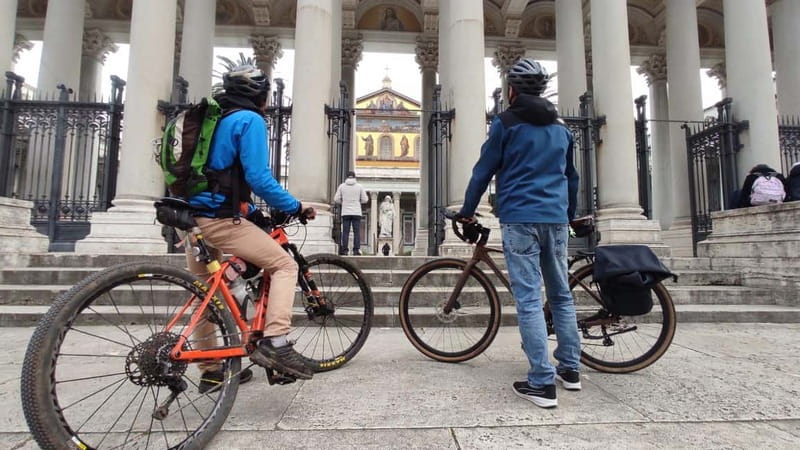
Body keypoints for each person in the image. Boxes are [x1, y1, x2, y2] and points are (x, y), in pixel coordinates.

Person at [458, 58, 581, 409]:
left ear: (512, 90)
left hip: (520, 219)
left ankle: (542, 382)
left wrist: (467, 212)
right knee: (561, 295)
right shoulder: (561, 127)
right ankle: (570, 370)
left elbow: (483, 171)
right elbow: (572, 177)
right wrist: (567, 215)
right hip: (555, 219)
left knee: (528, 298)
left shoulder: (506, 123)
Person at [186, 63, 317, 392]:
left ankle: (212, 371)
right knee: (284, 264)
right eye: (266, 95)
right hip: (217, 220)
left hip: (189, 218)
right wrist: (295, 206)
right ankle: (277, 341)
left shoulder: (212, 122)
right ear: (259, 95)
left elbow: (220, 178)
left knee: (208, 294)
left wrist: (251, 211)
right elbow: (259, 177)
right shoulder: (249, 121)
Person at [334, 170, 368, 255]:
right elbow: (365, 199)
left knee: (345, 231)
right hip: (356, 212)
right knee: (357, 232)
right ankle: (356, 250)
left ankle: (344, 250)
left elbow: (336, 199)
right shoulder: (359, 186)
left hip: (345, 212)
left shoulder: (342, 186)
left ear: (347, 177)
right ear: (354, 177)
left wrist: (344, 202)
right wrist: (358, 201)